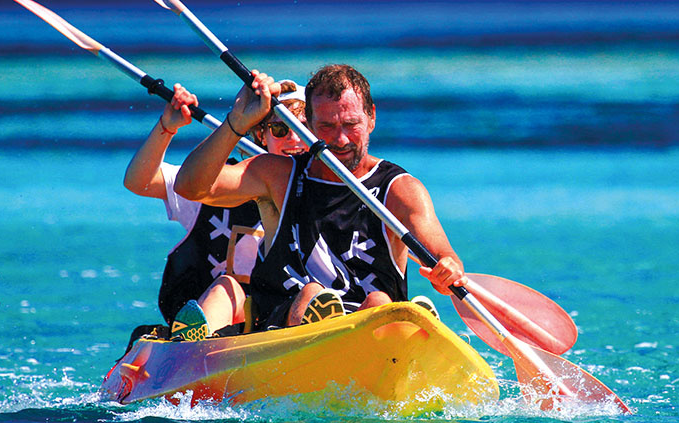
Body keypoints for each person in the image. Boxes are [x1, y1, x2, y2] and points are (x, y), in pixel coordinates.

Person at [171, 64, 465, 340]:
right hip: (286, 331)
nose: (341, 139)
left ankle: (407, 328)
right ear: (309, 124)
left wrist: (447, 270)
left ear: (372, 117)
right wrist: (237, 122)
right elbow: (189, 187)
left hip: (371, 330)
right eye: (326, 126)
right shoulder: (277, 175)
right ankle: (355, 329)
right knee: (312, 293)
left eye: (351, 124)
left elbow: (443, 256)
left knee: (379, 300)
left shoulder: (400, 189)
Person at [123, 82, 307, 326]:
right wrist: (167, 127)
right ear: (261, 135)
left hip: (283, 319)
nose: (294, 139)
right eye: (281, 129)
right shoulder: (216, 182)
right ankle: (196, 337)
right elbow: (140, 182)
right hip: (220, 324)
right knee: (225, 287)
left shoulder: (329, 190)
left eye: (304, 128)